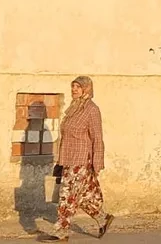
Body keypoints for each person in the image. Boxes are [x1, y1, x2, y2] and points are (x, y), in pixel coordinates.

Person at [42, 76, 114, 242]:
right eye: (73, 86)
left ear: (86, 89)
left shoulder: (92, 110)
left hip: (81, 161)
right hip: (68, 159)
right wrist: (60, 162)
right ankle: (103, 218)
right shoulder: (74, 108)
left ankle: (61, 232)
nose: (74, 89)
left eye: (78, 87)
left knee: (67, 196)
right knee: (83, 197)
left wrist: (97, 163)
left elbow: (97, 137)